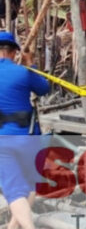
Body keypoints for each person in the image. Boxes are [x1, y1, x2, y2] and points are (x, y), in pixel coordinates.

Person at [0, 32, 50, 229]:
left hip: (2, 140)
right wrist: (31, 64)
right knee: (30, 185)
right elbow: (44, 89)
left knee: (14, 190)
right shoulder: (24, 72)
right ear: (14, 53)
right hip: (28, 138)